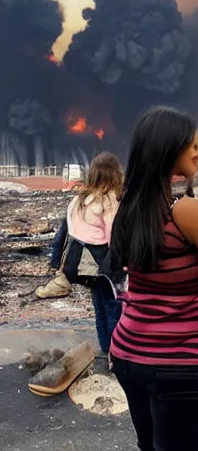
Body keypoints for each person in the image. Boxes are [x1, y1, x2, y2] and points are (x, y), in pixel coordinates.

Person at [109, 106, 198, 451]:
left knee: (150, 445)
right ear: (166, 149)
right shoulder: (185, 210)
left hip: (128, 354)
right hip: (176, 363)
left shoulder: (129, 207)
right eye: (190, 145)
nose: (197, 152)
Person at [36, 152, 124, 355]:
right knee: (113, 305)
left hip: (76, 264)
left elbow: (62, 234)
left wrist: (56, 263)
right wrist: (120, 266)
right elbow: (113, 236)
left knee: (99, 306)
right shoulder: (109, 199)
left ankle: (105, 348)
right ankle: (115, 355)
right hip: (100, 263)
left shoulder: (78, 199)